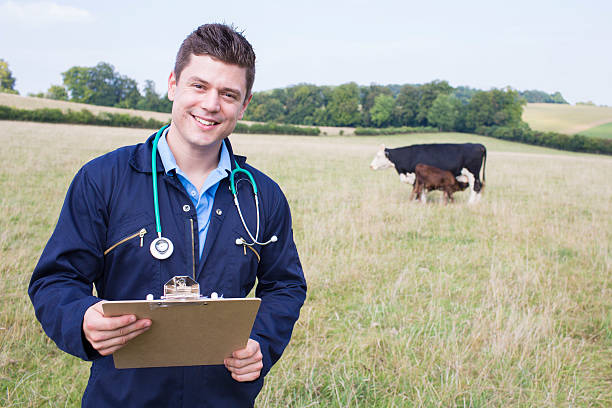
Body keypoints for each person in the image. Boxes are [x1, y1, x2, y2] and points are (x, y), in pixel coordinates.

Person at [29, 23, 306, 407]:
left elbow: (285, 285)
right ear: (173, 84)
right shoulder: (102, 179)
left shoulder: (263, 196)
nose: (211, 104)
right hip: (121, 397)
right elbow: (56, 280)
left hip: (222, 398)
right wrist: (80, 319)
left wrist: (262, 342)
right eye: (199, 86)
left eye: (229, 94)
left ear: (245, 105)